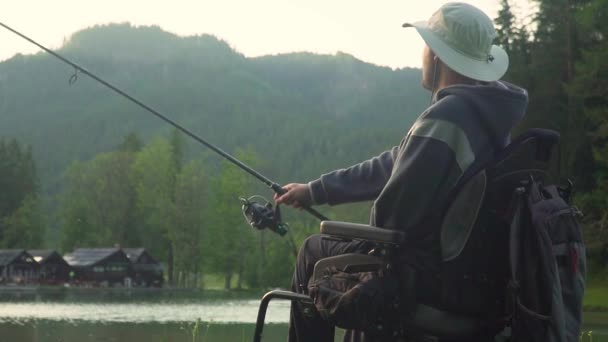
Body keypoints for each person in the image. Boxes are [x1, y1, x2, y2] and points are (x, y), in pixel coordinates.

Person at [275, 3, 529, 342]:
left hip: (427, 276)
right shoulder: (485, 118)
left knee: (312, 251)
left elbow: (390, 220)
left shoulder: (446, 118)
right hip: (468, 278)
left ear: (436, 55)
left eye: (425, 44)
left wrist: (352, 231)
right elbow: (398, 162)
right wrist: (316, 191)